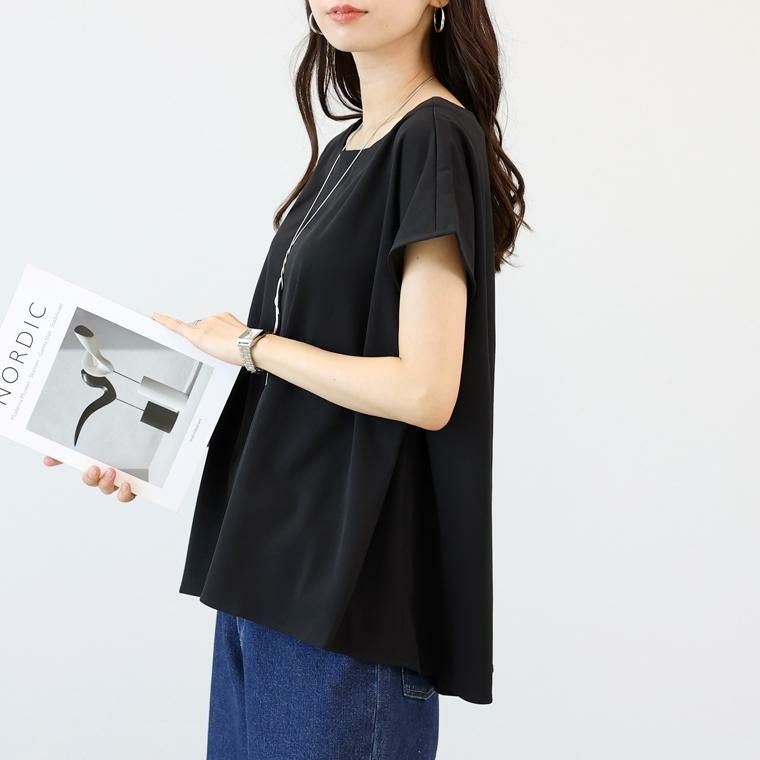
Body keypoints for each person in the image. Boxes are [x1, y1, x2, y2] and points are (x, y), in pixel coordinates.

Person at [44, 1, 527, 757]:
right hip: (267, 581)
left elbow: (425, 391)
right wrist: (142, 436)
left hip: (346, 602)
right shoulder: (348, 148)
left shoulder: (434, 135)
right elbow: (306, 376)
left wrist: (250, 344)